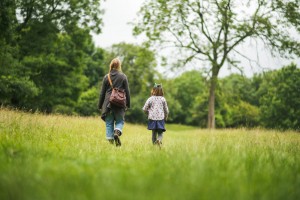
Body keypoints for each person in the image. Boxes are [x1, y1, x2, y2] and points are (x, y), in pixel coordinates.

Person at [98, 58, 130, 146]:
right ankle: (117, 132)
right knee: (120, 121)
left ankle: (111, 144)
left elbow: (102, 93)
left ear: (111, 65)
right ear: (119, 66)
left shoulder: (106, 77)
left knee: (109, 123)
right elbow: (127, 92)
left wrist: (100, 105)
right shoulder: (123, 76)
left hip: (108, 104)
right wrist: (128, 104)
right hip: (119, 104)